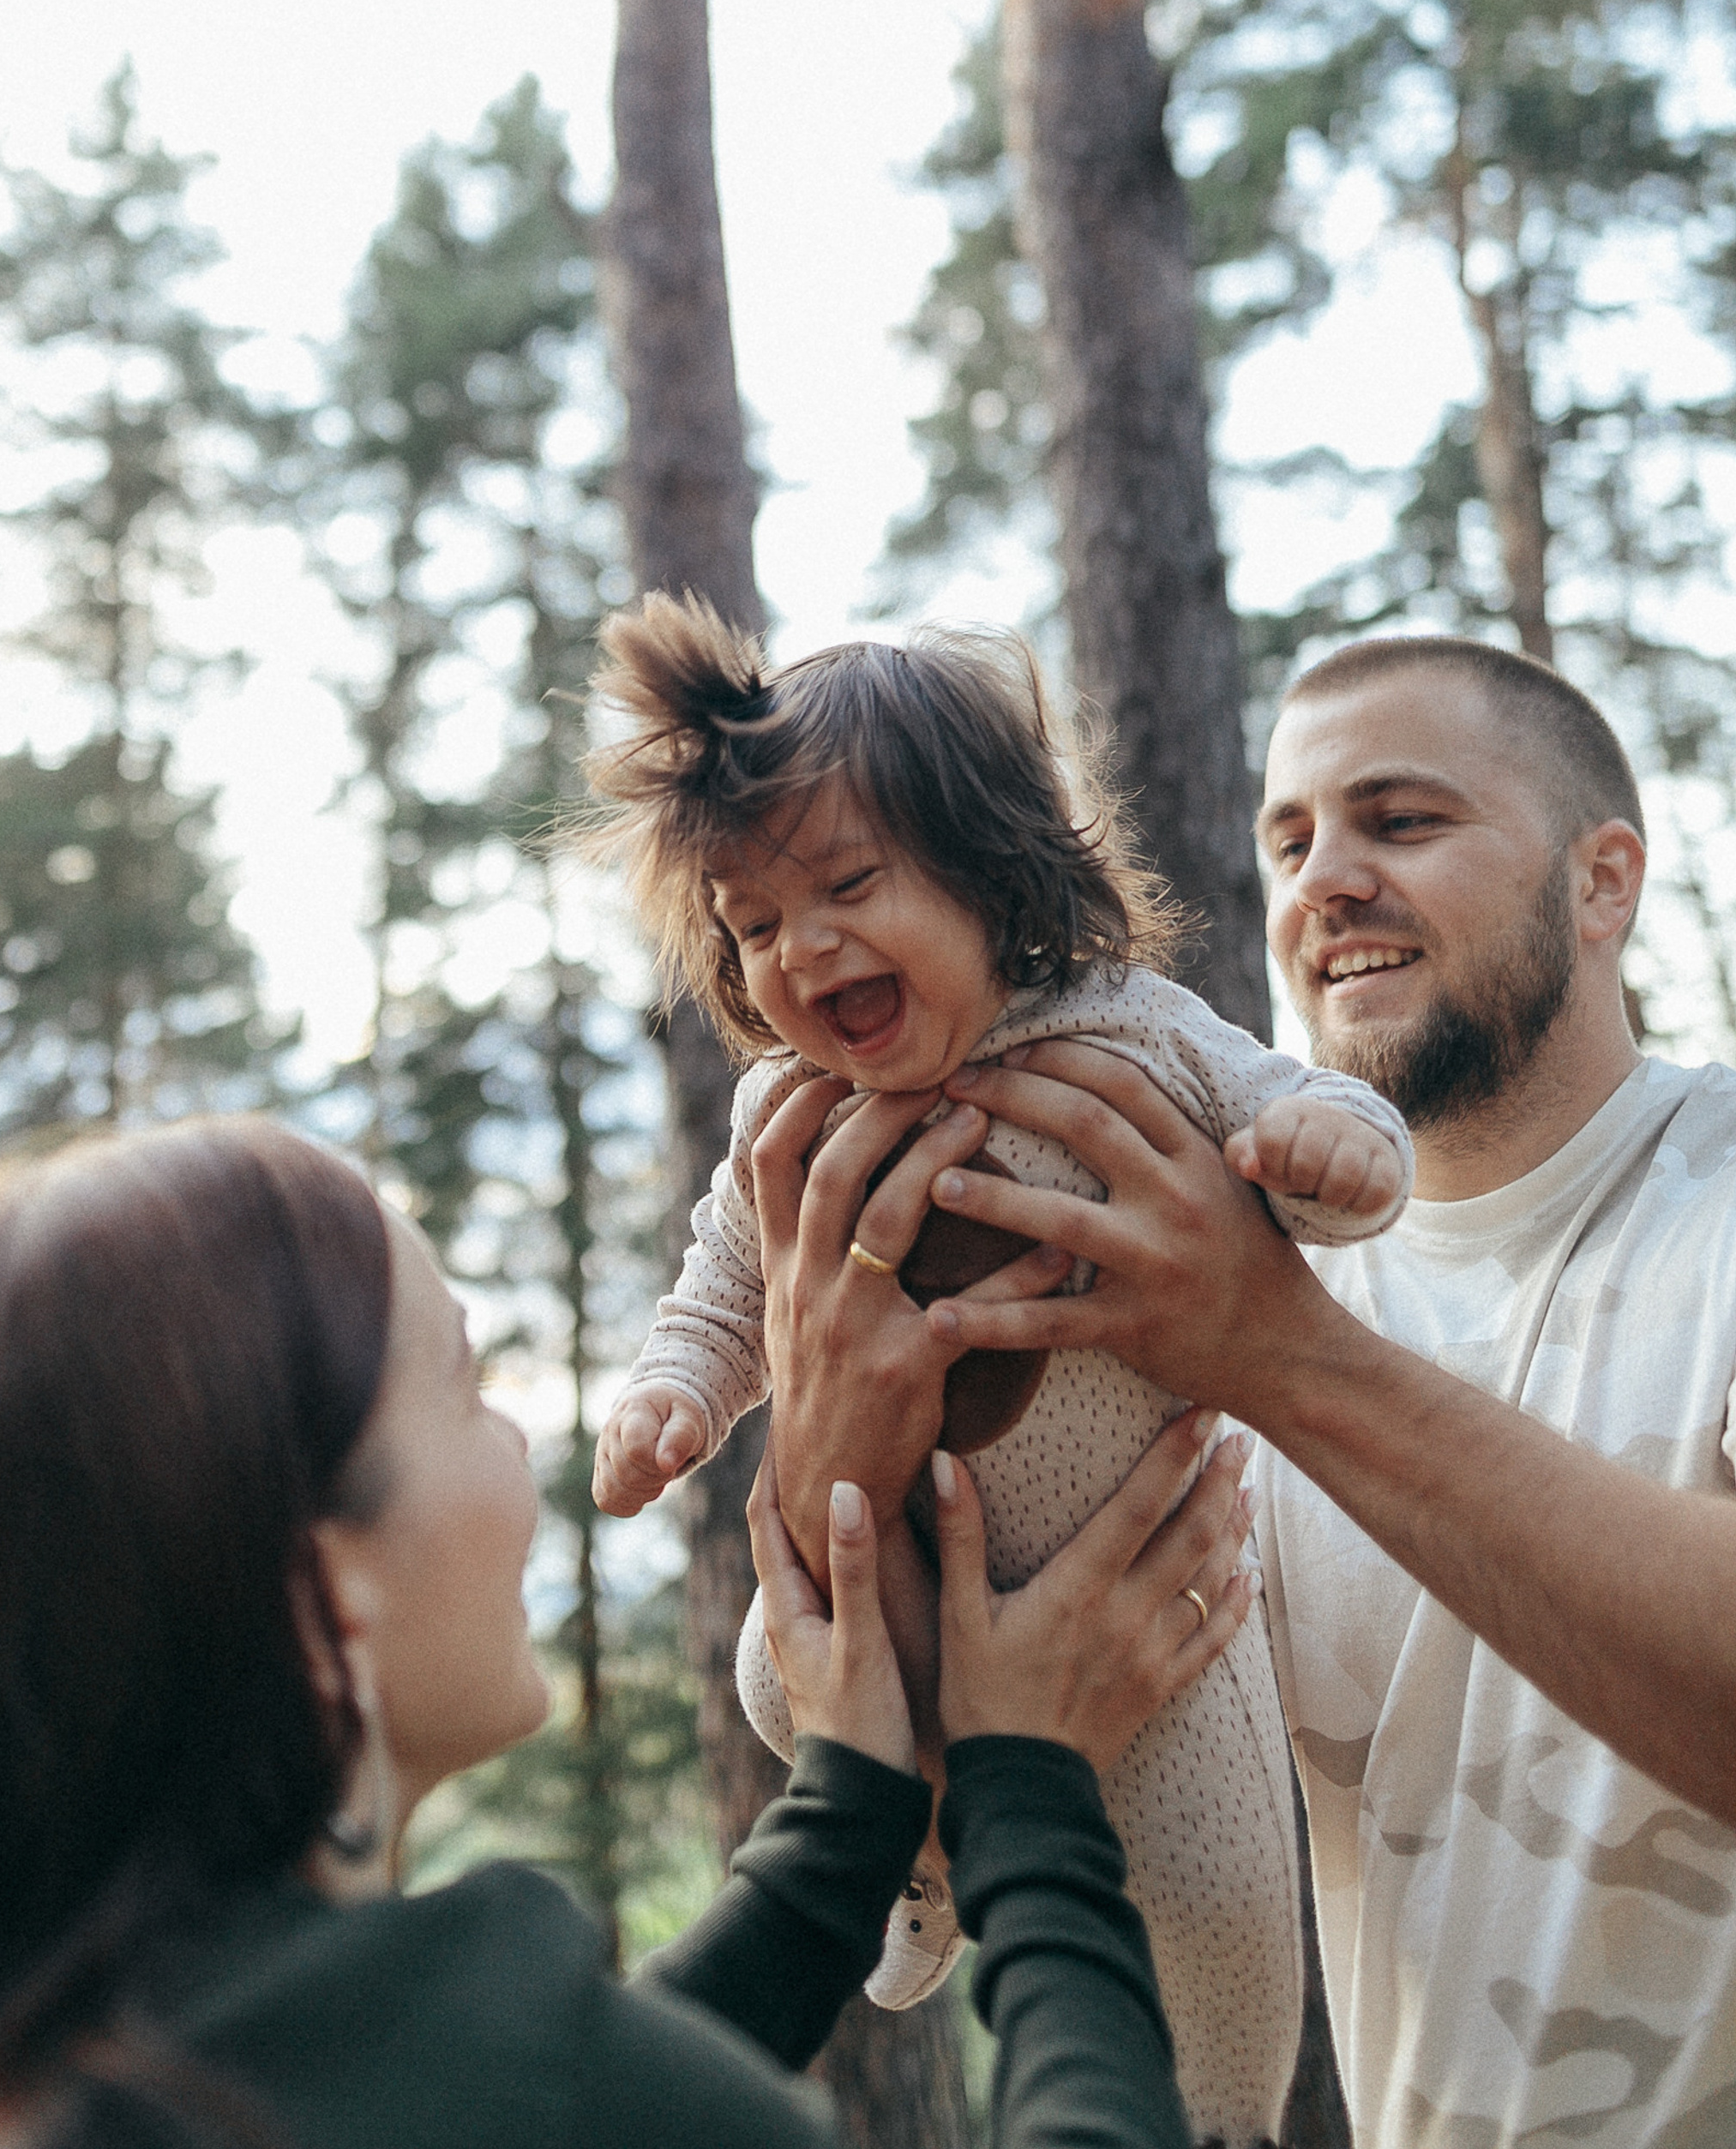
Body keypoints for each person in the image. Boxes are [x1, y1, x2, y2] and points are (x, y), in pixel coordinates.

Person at [0, 1111, 1260, 2149]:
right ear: (316, 1587)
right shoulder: (465, 2047)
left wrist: (852, 1812)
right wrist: (1030, 1787)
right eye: (463, 1389)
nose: (517, 1458)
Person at [821, 633, 1736, 2148]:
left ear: (1604, 883)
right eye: (1292, 839)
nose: (1324, 881)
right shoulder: (1185, 1305)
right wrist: (830, 1459)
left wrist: (1284, 1357)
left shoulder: (1247, 1321)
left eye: (1404, 819)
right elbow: (997, 1804)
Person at [575, 594, 1411, 2142]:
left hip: (1144, 1595)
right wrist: (675, 1399)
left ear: (988, 871)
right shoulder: (787, 1116)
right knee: (777, 1671)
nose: (799, 948)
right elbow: (723, 1291)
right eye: (752, 926)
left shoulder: (1130, 1032)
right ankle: (917, 1872)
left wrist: (1329, 1152)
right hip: (887, 1602)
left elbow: (1288, 1106)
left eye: (844, 885)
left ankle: (1220, 2117)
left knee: (1224, 1883)